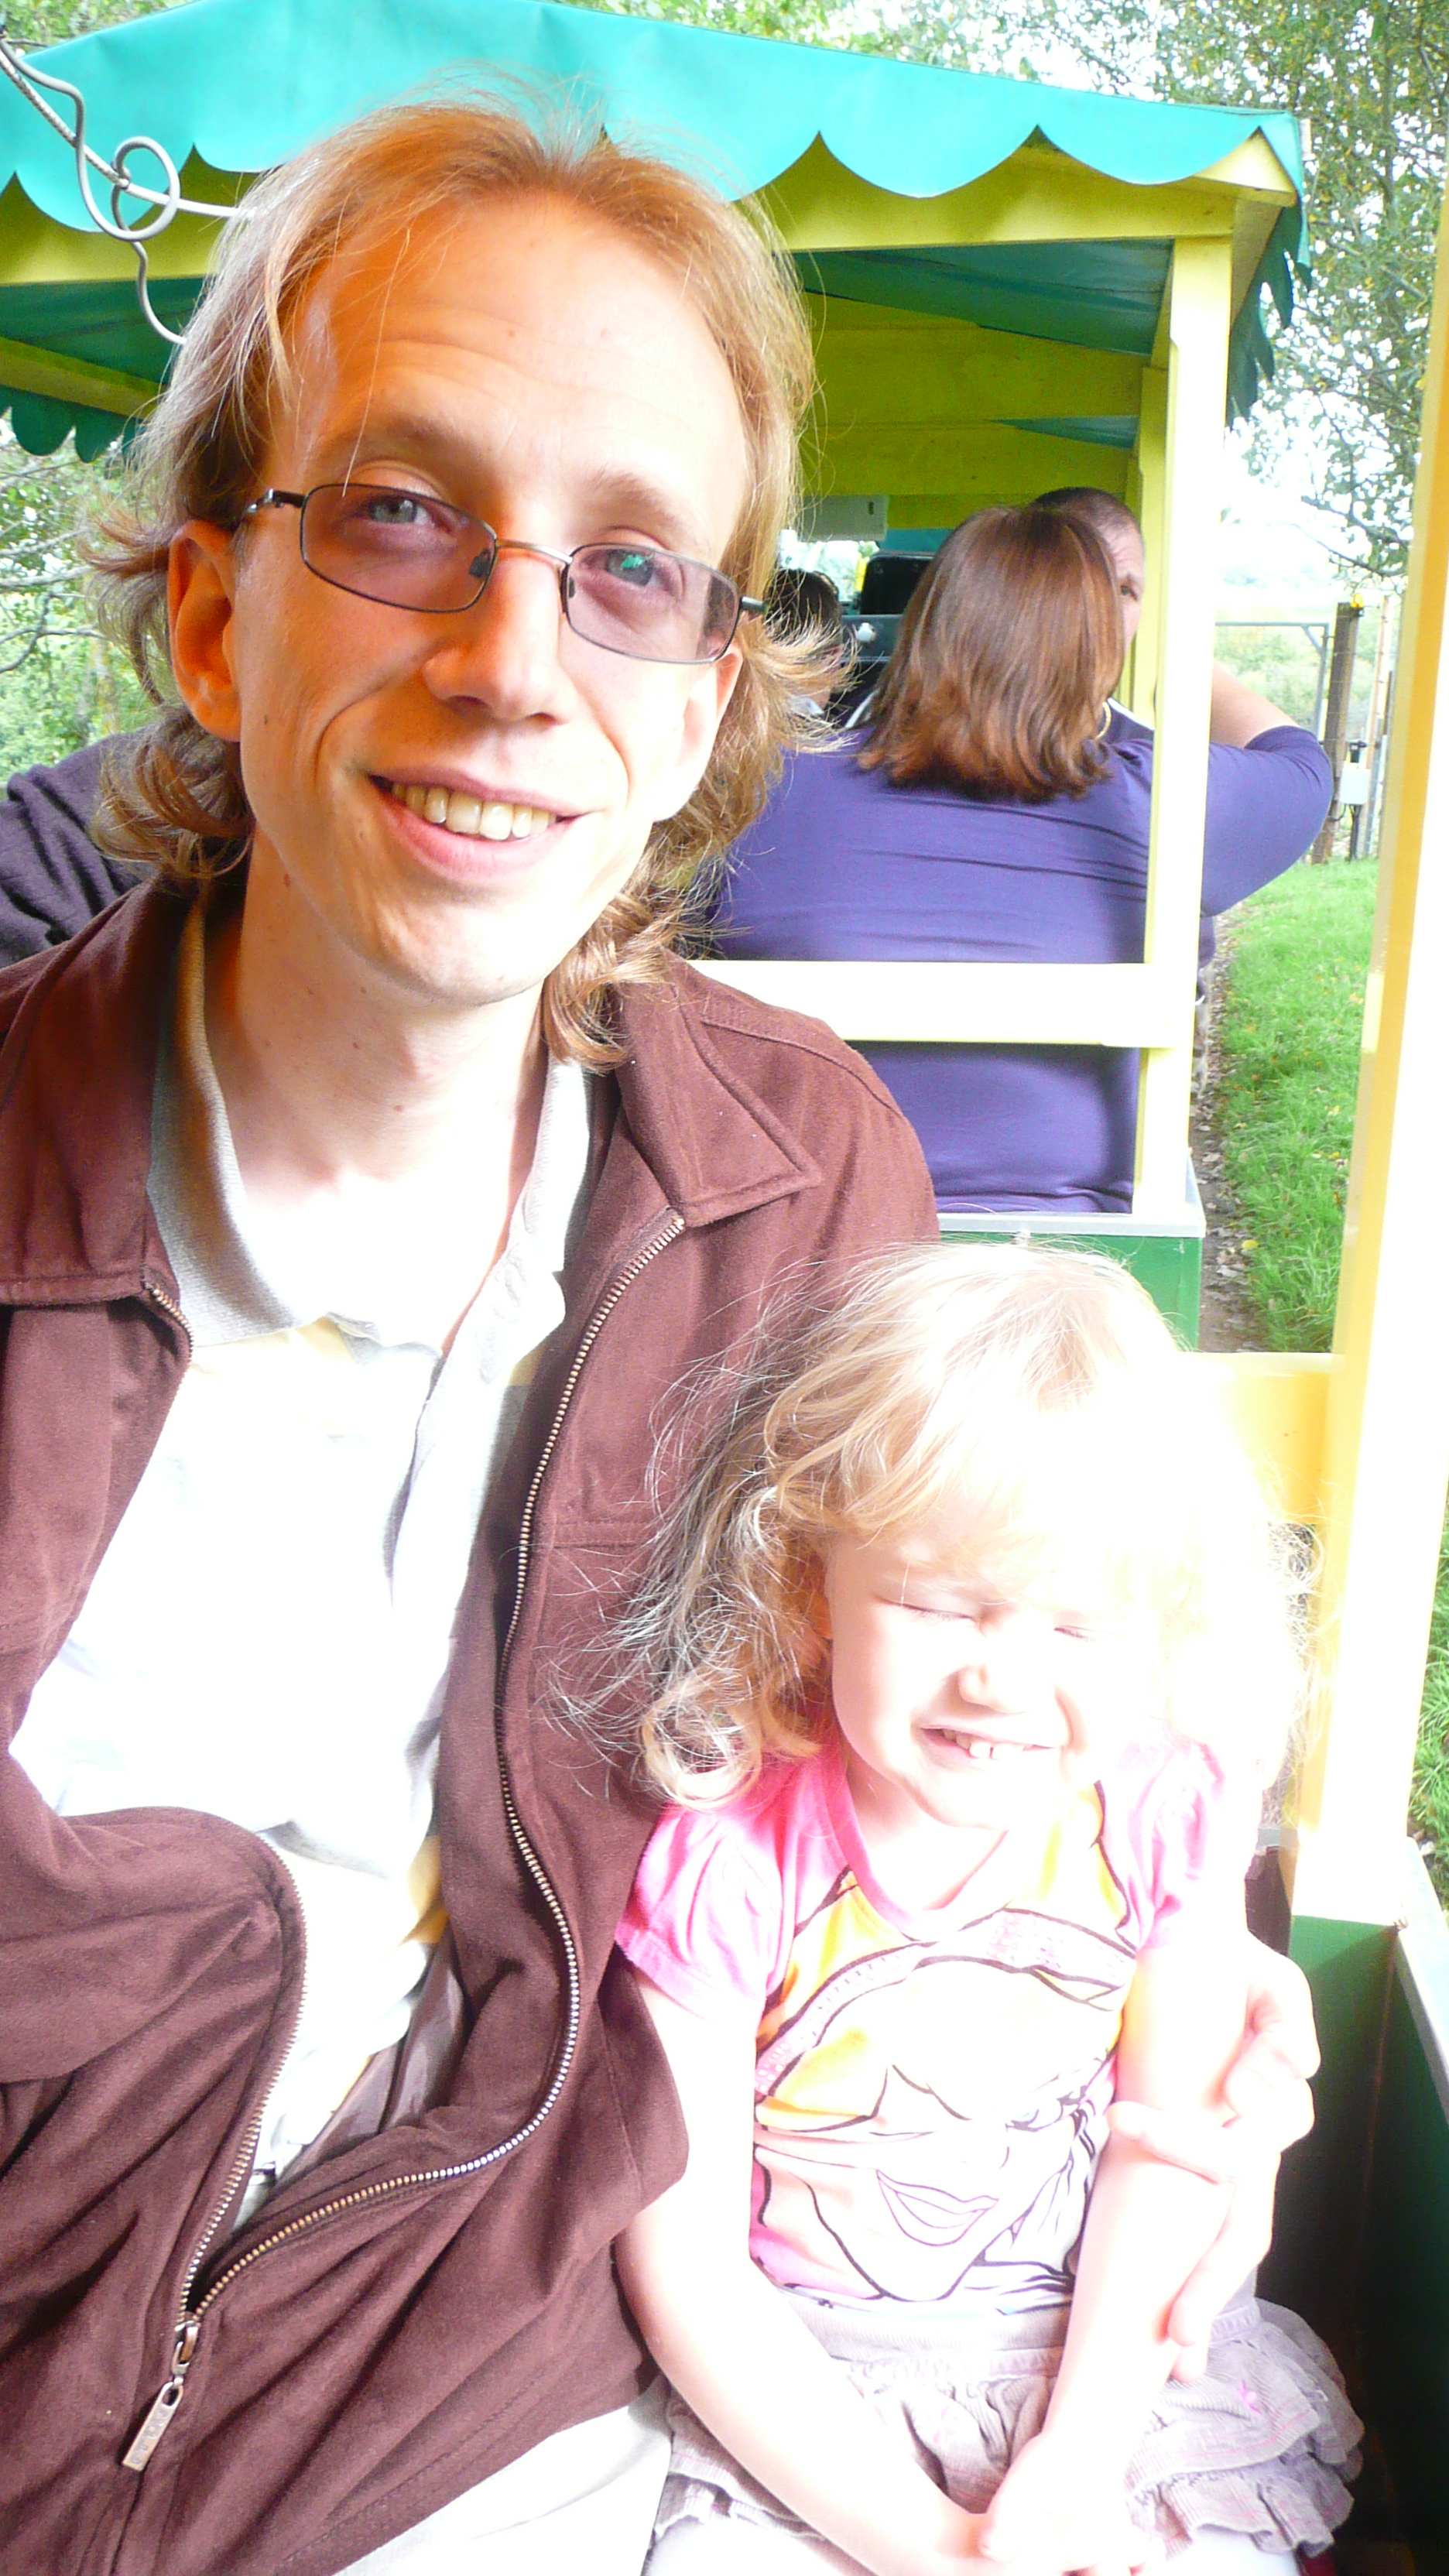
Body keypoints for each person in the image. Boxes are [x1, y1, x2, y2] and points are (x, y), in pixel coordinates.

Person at [0, 94, 1316, 2576]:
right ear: (209, 610)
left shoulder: (801, 1190)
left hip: (555, 2380)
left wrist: (1217, 1949)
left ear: (710, 696)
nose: (513, 663)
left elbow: (1039, 1631)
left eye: (627, 569)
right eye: (401, 513)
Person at [613, 1246, 1361, 2575]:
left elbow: (1167, 2150)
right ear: (810, 1589)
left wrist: (1077, 2458)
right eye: (931, 1603)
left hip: (1107, 2361)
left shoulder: (1159, 1805)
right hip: (810, 2403)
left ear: (1163, 1625)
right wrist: (936, 2548)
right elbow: (689, 2274)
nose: (1000, 1678)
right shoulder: (731, 1856)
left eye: (1077, 1627)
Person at [713, 503, 1331, 1212]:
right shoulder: (1164, 801)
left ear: (926, 627)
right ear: (1099, 652)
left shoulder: (766, 792)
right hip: (1068, 1246)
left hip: (806, 1232)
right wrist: (1185, 669)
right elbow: (1302, 764)